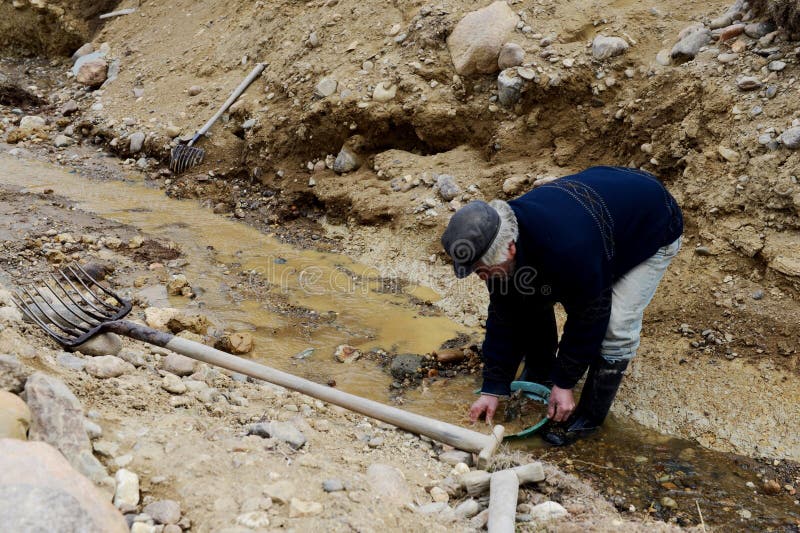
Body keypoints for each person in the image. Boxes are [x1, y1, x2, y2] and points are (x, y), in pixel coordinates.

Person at [440, 166, 683, 445]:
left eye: (482, 270)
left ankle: (590, 418)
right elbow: (505, 315)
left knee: (616, 324)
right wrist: (493, 388)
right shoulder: (499, 240)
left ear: (510, 249)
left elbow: (590, 313)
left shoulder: (568, 249)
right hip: (600, 208)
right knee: (521, 292)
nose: (480, 277)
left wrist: (565, 383)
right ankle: (541, 372)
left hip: (651, 223)